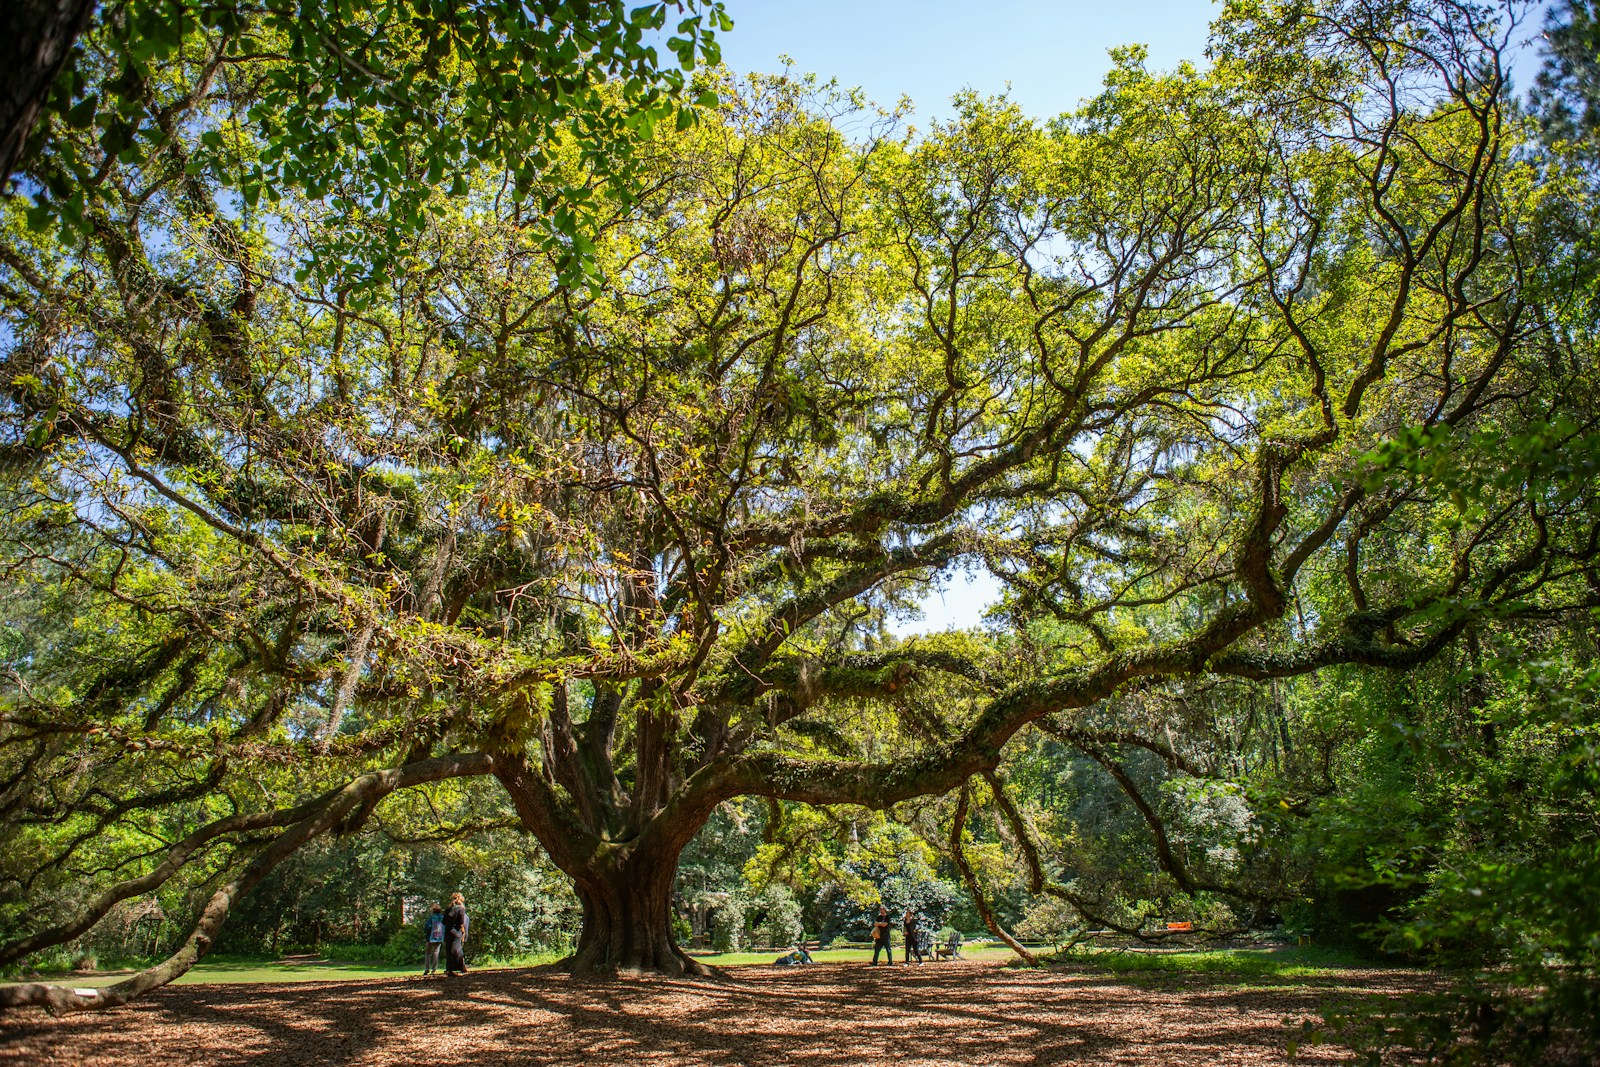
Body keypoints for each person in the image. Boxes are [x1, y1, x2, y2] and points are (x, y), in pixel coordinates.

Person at [444, 892, 470, 977]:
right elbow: (461, 922)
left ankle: (449, 969)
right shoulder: (461, 909)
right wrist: (463, 931)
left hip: (447, 931)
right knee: (458, 950)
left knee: (449, 950)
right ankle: (461, 967)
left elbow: (443, 921)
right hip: (456, 931)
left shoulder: (448, 909)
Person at [422, 903, 446, 975]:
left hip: (430, 937)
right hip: (439, 937)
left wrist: (426, 934)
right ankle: (434, 969)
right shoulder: (443, 918)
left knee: (428, 953)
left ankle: (427, 968)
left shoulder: (431, 918)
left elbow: (427, 927)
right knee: (436, 953)